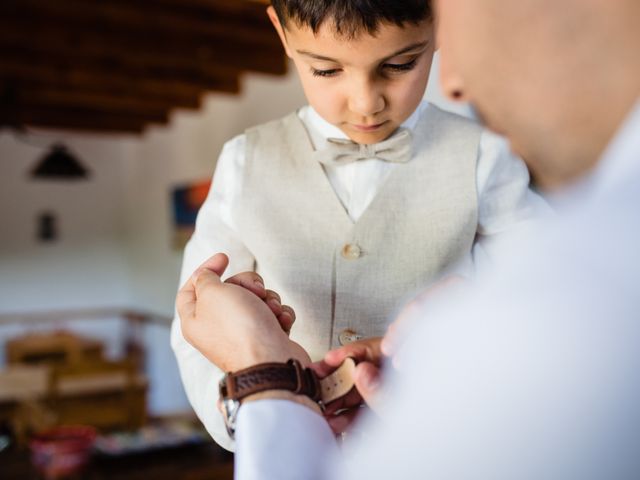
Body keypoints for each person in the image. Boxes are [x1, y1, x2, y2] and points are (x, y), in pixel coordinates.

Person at [177, 0, 640, 478]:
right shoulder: (243, 160)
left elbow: (546, 303)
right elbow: (196, 321)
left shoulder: (484, 155)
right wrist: (245, 413)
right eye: (326, 69)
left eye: (399, 65)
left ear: (442, 21)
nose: (365, 102)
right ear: (281, 32)